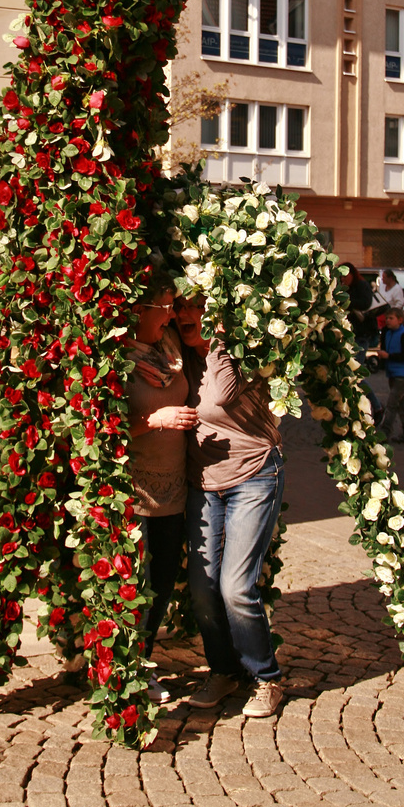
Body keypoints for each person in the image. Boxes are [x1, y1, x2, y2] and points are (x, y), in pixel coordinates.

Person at [174, 295, 285, 719]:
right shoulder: (179, 355)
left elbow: (219, 395)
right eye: (180, 306)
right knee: (202, 590)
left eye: (197, 307)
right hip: (203, 481)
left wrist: (220, 340)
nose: (186, 316)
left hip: (254, 473)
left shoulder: (244, 350)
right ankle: (223, 670)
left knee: (236, 588)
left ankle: (266, 678)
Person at [125, 271, 199, 703]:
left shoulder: (169, 351)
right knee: (140, 585)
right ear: (138, 311)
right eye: (165, 307)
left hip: (174, 490)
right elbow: (101, 430)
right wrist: (155, 420)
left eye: (173, 306)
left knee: (165, 582)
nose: (172, 316)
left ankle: (144, 658)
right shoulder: (117, 359)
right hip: (137, 492)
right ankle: (130, 671)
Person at [340, 263, 384, 423]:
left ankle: (376, 406)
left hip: (362, 335)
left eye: (345, 275)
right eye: (341, 276)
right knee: (350, 374)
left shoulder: (361, 286)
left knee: (355, 374)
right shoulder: (346, 288)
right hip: (351, 336)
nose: (343, 279)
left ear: (353, 274)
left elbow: (365, 303)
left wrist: (345, 300)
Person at [376, 307, 404, 443]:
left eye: (391, 318)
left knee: (392, 403)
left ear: (400, 320)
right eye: (387, 318)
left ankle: (385, 432)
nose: (388, 321)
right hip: (392, 372)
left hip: (402, 374)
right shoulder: (388, 333)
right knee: (399, 403)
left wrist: (388, 356)